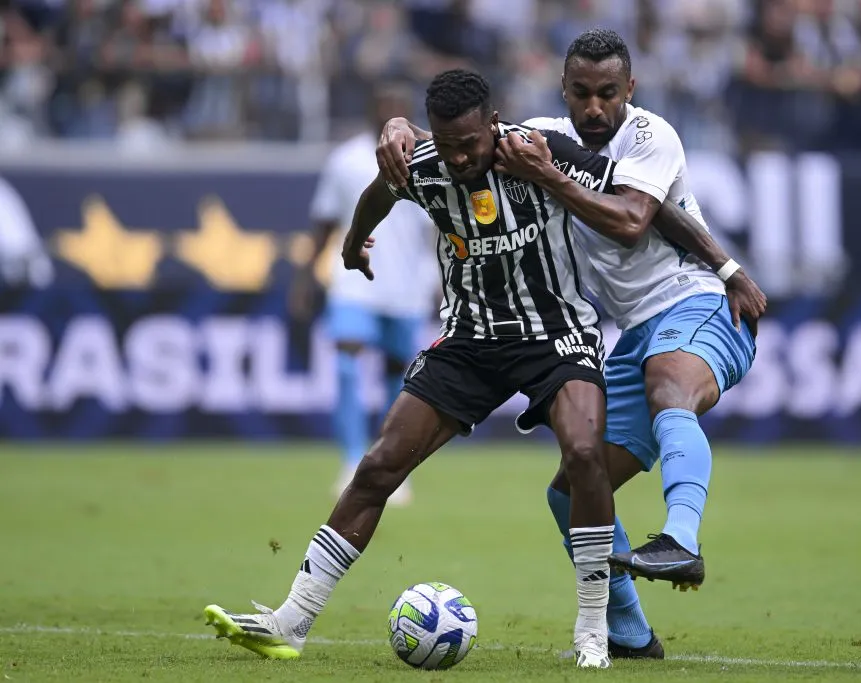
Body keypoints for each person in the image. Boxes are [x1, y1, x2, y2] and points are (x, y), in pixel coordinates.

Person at [205, 68, 634, 669]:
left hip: (554, 336)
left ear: (492, 123)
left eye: (469, 143)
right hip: (469, 341)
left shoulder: (539, 152)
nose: (457, 157)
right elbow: (382, 189)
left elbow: (625, 204)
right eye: (446, 142)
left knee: (586, 455)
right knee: (379, 465)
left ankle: (593, 630)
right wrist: (355, 242)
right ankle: (292, 620)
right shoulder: (426, 162)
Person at [377, 29, 767, 659]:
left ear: (629, 91)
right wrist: (398, 125)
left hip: (696, 303)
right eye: (581, 93)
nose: (594, 108)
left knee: (671, 383)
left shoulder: (648, 134)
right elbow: (457, 146)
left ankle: (682, 539)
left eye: (607, 93)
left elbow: (640, 219)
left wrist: (728, 272)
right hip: (636, 332)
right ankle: (631, 634)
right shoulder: (543, 139)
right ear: (564, 89)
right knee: (573, 490)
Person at [290, 83, 436, 504]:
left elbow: (438, 234)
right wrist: (304, 278)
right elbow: (324, 224)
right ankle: (351, 460)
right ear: (374, 111)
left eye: (400, 107)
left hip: (407, 287)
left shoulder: (428, 160)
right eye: (384, 105)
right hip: (353, 283)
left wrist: (442, 284)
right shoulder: (347, 160)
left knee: (399, 379)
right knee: (347, 366)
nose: (391, 112)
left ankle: (387, 465)